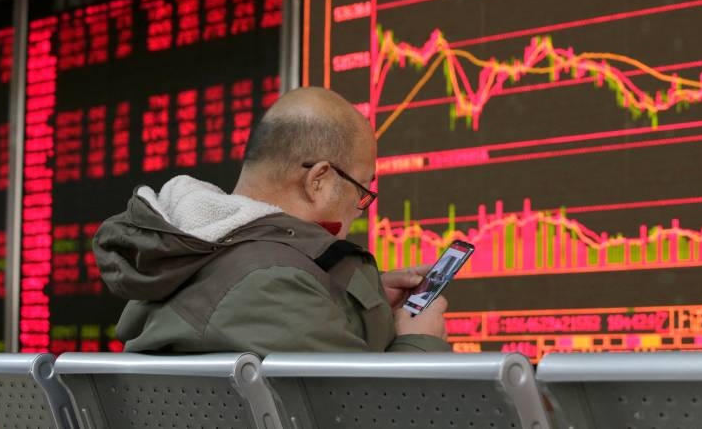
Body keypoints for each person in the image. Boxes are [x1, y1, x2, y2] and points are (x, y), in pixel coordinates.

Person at [93, 86, 450, 355]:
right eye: (361, 189)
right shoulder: (274, 286)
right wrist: (420, 342)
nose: (360, 208)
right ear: (320, 181)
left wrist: (360, 302)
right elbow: (373, 411)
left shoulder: (187, 258)